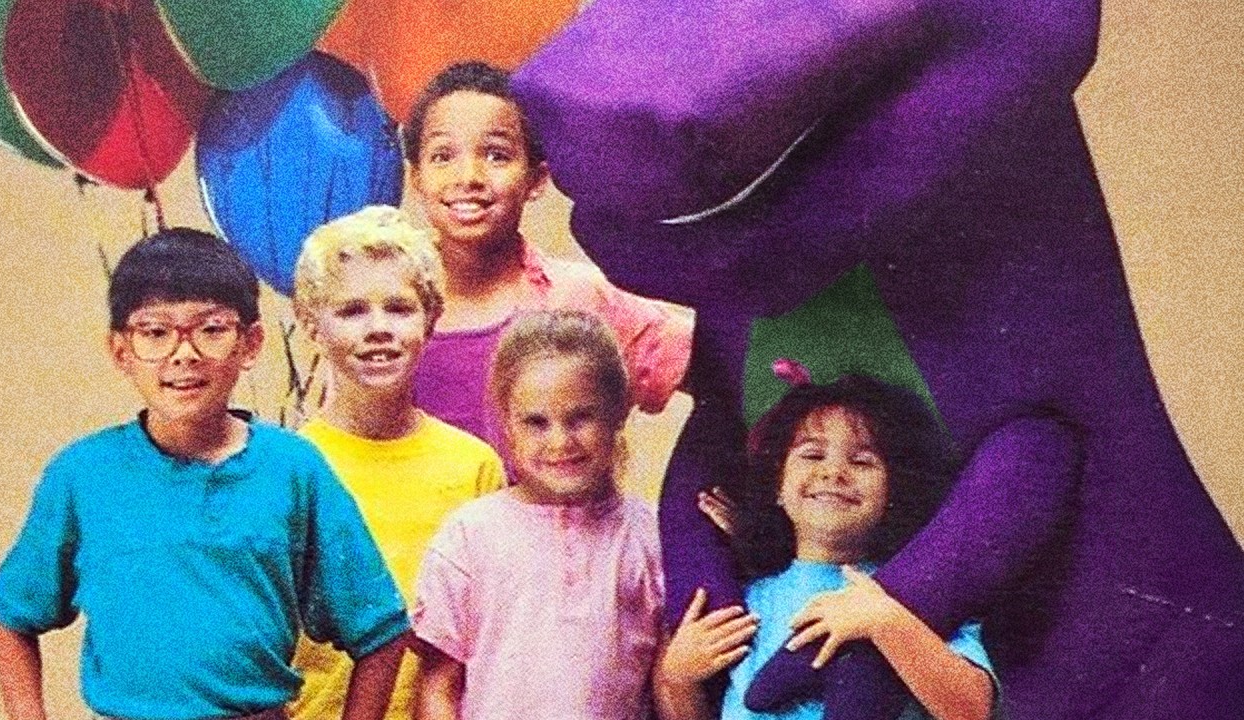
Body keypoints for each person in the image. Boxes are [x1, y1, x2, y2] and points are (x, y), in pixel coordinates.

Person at [0, 229, 409, 720]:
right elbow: (13, 614)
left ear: (250, 343)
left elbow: (381, 628)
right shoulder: (82, 476)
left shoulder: (294, 469)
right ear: (120, 351)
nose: (183, 353)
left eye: (211, 329)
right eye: (155, 332)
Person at [654, 375, 997, 720]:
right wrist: (679, 677)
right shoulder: (747, 599)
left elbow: (972, 708)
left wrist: (886, 622)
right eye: (813, 454)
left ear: (895, 492)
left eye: (861, 462)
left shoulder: (917, 591)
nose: (833, 472)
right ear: (777, 485)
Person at [402, 60, 692, 452]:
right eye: (442, 156)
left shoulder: (580, 298)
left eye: (496, 155)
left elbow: (725, 368)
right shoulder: (389, 307)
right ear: (416, 178)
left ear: (536, 179)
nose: (468, 177)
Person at [288, 206, 505, 720]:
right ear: (312, 326)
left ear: (431, 321)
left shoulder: (474, 466)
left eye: (399, 308)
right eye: (352, 311)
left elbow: (491, 629)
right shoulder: (290, 468)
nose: (378, 328)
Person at [410, 311, 664, 720]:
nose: (560, 441)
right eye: (536, 422)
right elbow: (438, 688)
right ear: (507, 424)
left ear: (618, 412)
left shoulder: (650, 535)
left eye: (580, 417)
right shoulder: (469, 537)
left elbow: (667, 681)